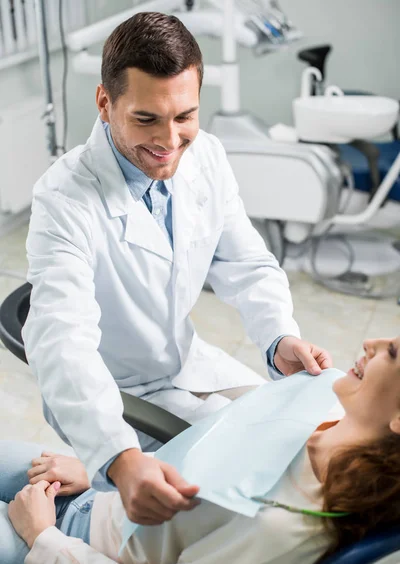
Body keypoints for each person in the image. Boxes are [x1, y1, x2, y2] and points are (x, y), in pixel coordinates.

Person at [22, 11, 332, 529]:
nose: (170, 140)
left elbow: (247, 263)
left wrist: (279, 337)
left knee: (299, 431)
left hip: (188, 361)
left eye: (184, 115)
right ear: (105, 102)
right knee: (254, 481)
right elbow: (62, 342)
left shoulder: (205, 155)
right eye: (147, 119)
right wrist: (117, 459)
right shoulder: (64, 198)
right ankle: (91, 483)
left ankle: (89, 473)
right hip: (118, 393)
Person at [1, 336, 400, 564]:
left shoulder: (289, 527)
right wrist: (106, 473)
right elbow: (202, 463)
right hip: (98, 496)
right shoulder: (318, 413)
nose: (372, 343)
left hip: (72, 559)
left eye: (393, 353)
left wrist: (43, 538)